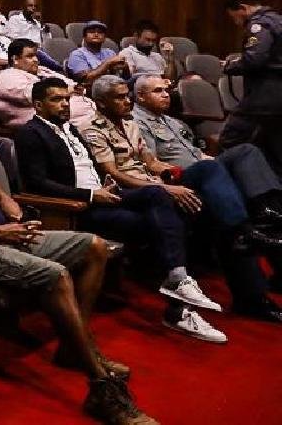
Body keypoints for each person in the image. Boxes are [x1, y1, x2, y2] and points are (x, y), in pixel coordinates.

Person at [0, 91, 152, 424]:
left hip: (9, 234)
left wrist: (17, 216)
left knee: (94, 246)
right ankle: (100, 385)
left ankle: (72, 346)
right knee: (56, 274)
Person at [20, 79, 274, 338]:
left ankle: (215, 264)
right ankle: (180, 306)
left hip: (113, 194)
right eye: (56, 99)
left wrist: (166, 176)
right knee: (169, 219)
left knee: (201, 185)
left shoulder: (70, 130)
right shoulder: (32, 133)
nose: (64, 104)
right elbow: (38, 183)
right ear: (38, 105)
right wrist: (92, 194)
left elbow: (117, 167)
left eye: (66, 98)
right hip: (83, 207)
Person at [131, 75, 282, 253]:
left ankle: (265, 208)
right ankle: (243, 231)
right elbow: (152, 163)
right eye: (158, 91)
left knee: (246, 150)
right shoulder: (137, 122)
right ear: (140, 96)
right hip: (181, 175)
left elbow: (196, 152)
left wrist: (214, 160)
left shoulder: (171, 121)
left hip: (203, 167)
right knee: (210, 167)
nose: (166, 95)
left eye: (166, 90)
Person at [221, 0, 282, 167]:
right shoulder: (278, 21)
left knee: (231, 139)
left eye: (235, 18)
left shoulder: (259, 25)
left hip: (264, 95)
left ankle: (228, 185)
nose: (237, 23)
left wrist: (230, 66)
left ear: (243, 8)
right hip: (277, 96)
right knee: (274, 148)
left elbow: (255, 59)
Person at [0, 39, 81, 128]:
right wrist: (70, 90)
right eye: (30, 56)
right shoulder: (7, 77)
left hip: (73, 119)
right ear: (15, 59)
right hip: (46, 127)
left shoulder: (42, 70)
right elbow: (37, 95)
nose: (36, 59)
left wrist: (74, 88)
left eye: (36, 56)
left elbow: (75, 86)